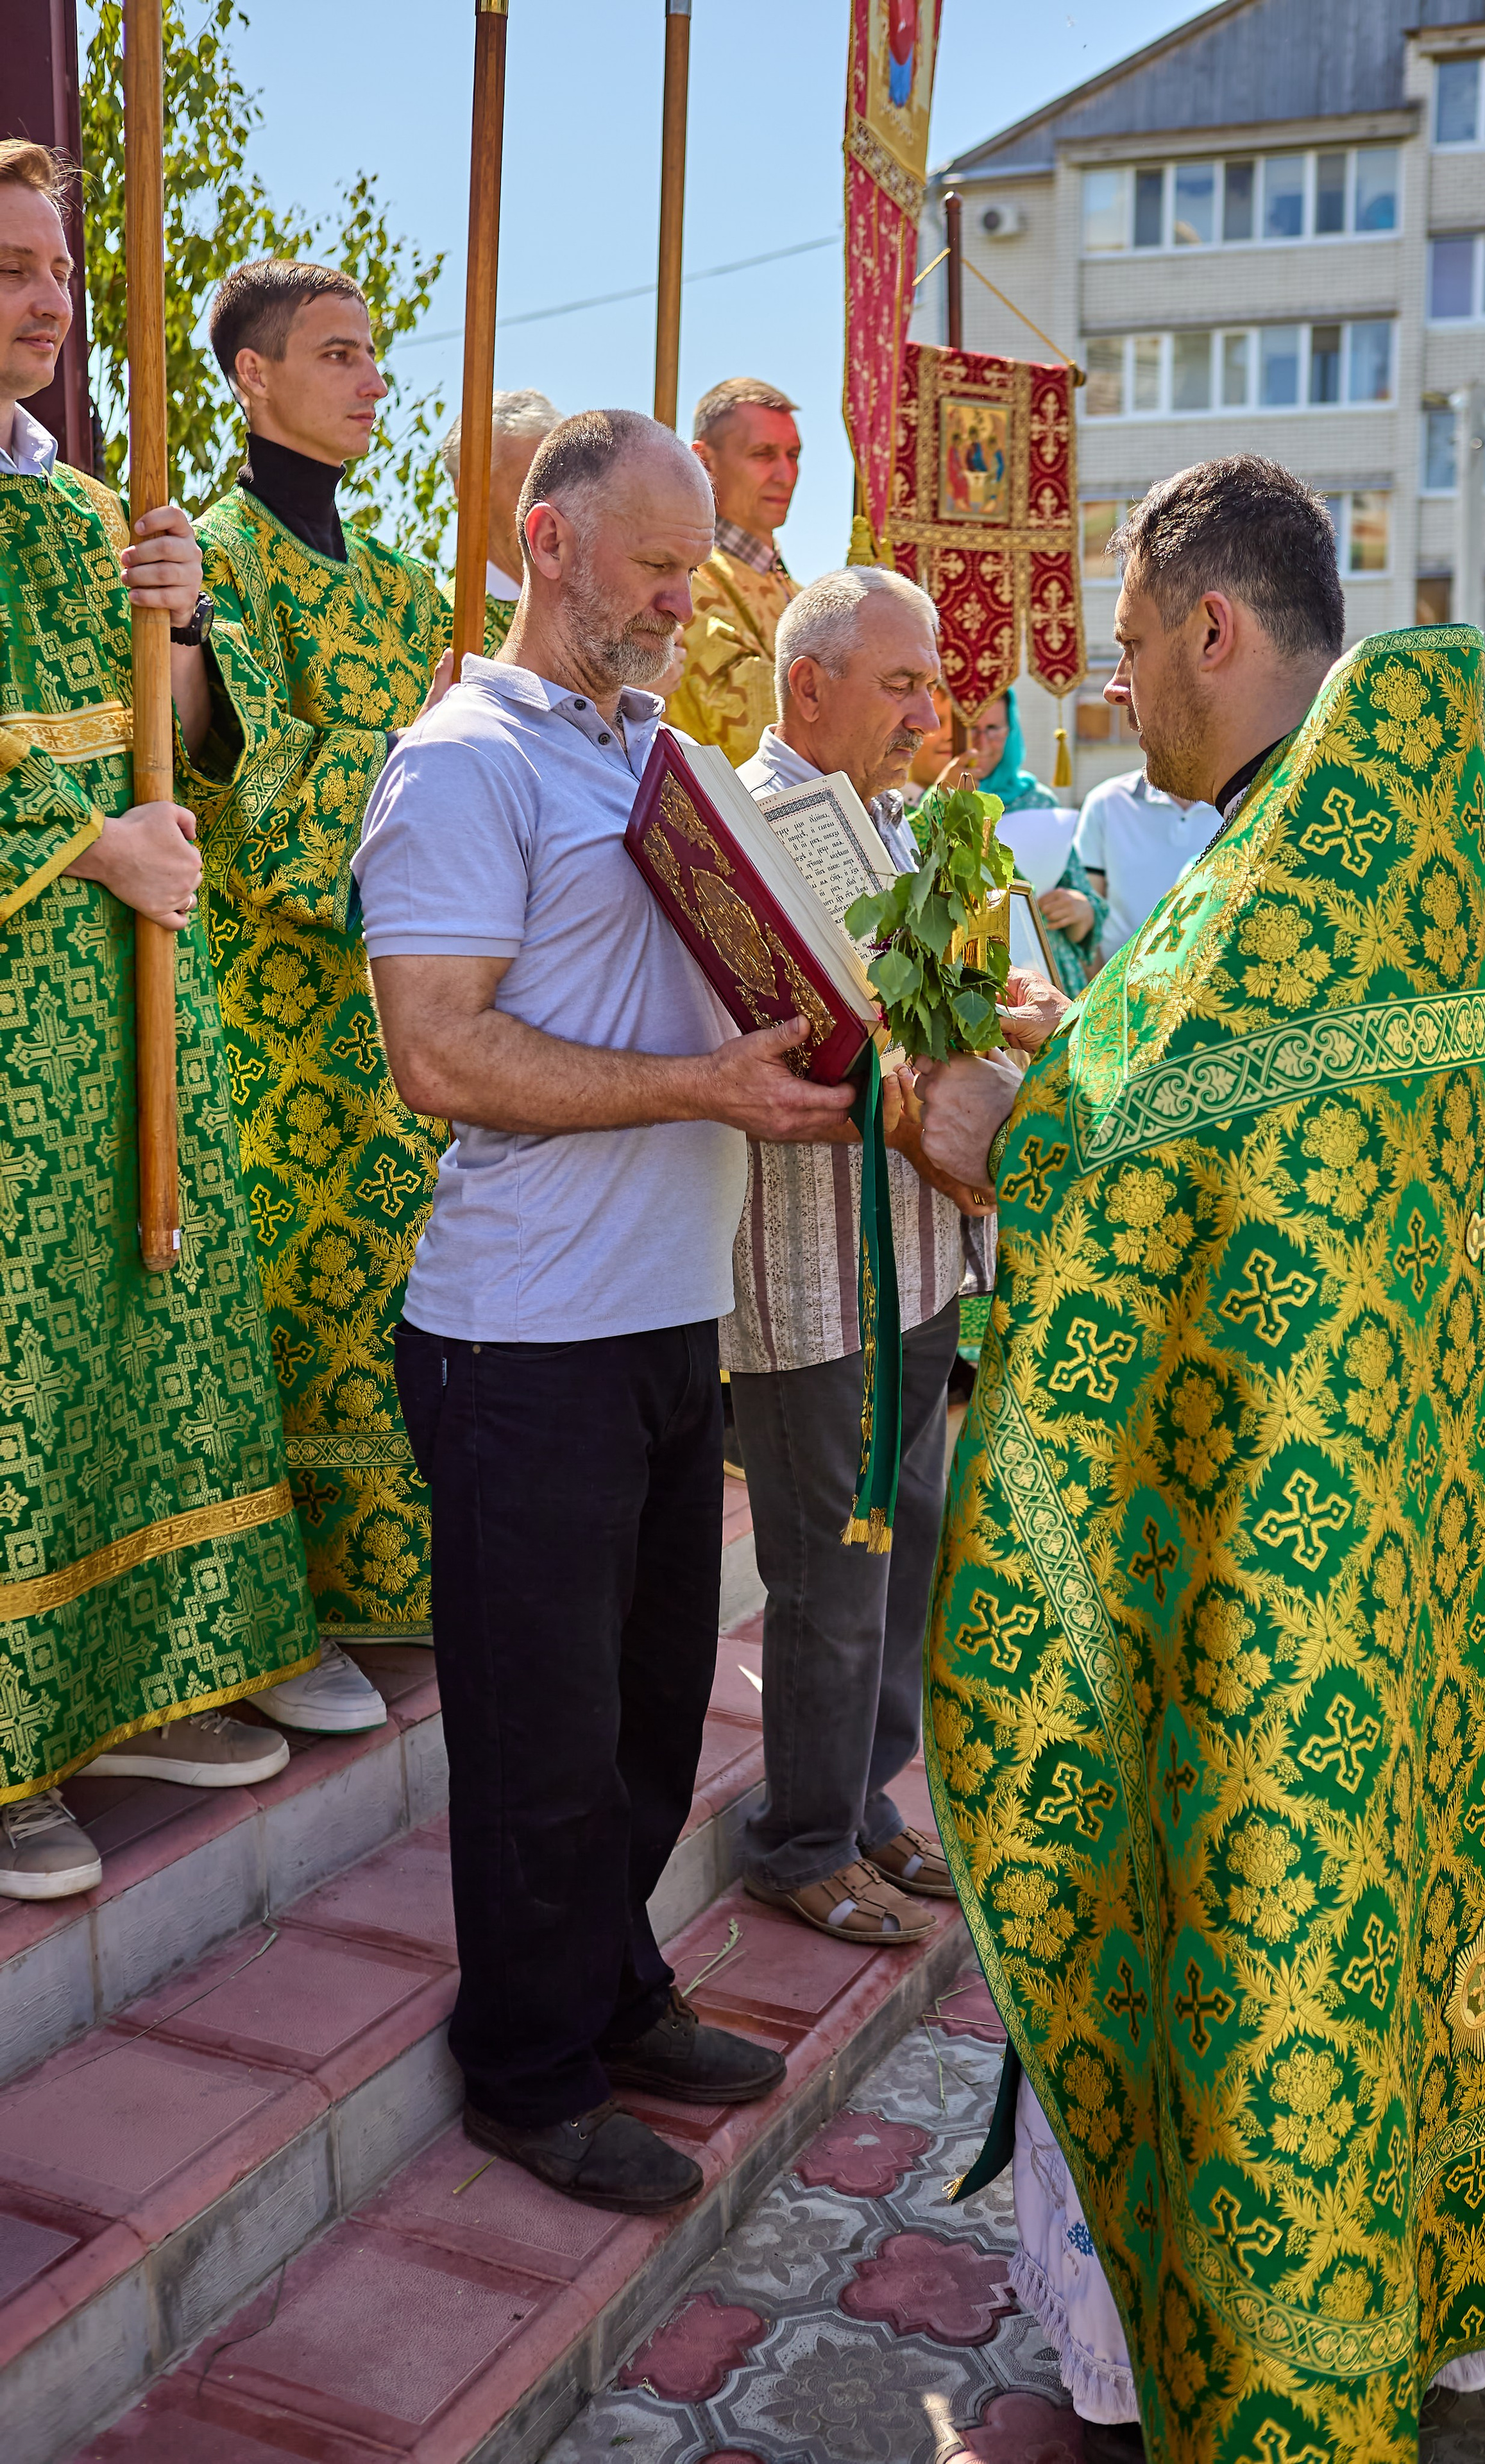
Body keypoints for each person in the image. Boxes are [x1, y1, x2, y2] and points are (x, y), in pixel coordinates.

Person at [913, 458, 1485, 2461]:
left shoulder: (1274, 881)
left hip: (1265, 1600)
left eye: (1128, 640)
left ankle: (1188, 2350)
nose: (1117, 682)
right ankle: (1418, 2294)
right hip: (1416, 1549)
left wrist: (978, 1128)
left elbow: (1114, 1173)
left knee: (1244, 1924)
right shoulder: (1375, 864)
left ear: (1214, 628)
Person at [352, 408, 858, 2213]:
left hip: (660, 1321)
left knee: (650, 1716)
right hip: (519, 1336)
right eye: (656, 563)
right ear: (548, 542)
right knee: (541, 1736)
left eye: (697, 562)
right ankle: (530, 2069)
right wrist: (705, 1092)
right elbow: (439, 1054)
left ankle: (622, 1991)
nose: (683, 598)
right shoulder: (462, 761)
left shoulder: (654, 753)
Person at [0, 141, 320, 1897]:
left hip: (131, 988)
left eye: (58, 267)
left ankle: (130, 1679)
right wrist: (85, 845)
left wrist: (186, 624)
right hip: (17, 1003)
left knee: (145, 1321)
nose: (48, 301)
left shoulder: (79, 507)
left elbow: (198, 744)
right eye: (9, 269)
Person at [191, 257, 474, 1729]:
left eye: (377, 355)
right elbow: (256, 794)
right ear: (254, 376)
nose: (373, 380)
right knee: (300, 1295)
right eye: (339, 355)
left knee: (410, 1281)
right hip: (274, 1002)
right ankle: (290, 1613)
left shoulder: (409, 586)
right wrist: (428, 772)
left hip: (409, 1000)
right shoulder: (212, 564)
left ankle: (400, 1579)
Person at [727, 567, 990, 1949]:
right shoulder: (759, 828)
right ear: (807, 685)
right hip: (813, 1268)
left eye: (927, 680)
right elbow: (831, 1044)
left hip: (916, 1254)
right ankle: (801, 1838)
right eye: (897, 682)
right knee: (831, 1569)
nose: (924, 709)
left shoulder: (888, 824)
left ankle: (864, 1804)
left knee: (909, 1546)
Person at [924, 686, 1103, 997]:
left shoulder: (1036, 800)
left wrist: (1080, 910)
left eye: (993, 729)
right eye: (970, 730)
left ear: (1011, 730)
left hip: (1048, 969)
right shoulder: (927, 802)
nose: (981, 744)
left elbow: (1085, 901)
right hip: (971, 976)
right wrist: (942, 804)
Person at [665, 377, 801, 764]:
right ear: (703, 462)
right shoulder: (686, 577)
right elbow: (745, 729)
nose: (785, 474)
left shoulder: (798, 590)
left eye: (793, 455)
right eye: (763, 454)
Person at [1074, 754, 1221, 972]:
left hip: (1208, 985)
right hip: (1118, 986)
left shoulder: (1250, 799)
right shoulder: (1106, 801)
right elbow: (1089, 910)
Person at [439, 386, 563, 603]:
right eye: (533, 488)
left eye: (563, 483)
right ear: (471, 495)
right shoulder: (450, 625)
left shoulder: (601, 614)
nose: (554, 507)